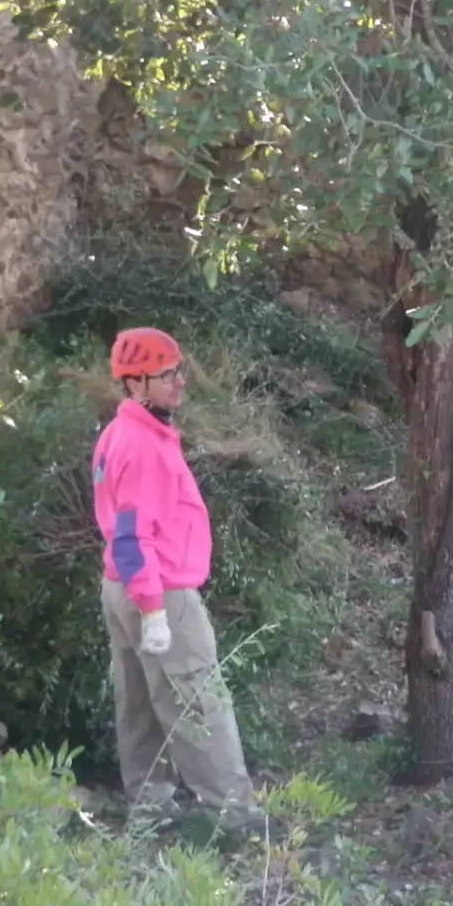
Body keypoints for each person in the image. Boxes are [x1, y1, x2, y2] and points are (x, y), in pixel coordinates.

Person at [93, 326, 258, 826]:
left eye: (178, 369)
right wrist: (155, 611)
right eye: (167, 375)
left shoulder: (120, 433)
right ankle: (235, 817)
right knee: (199, 701)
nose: (180, 382)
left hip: (121, 587)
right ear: (135, 384)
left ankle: (150, 807)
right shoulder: (141, 446)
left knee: (139, 704)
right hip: (157, 590)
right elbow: (130, 536)